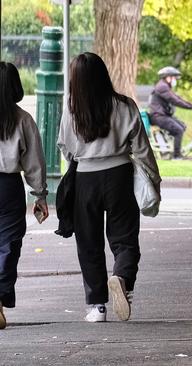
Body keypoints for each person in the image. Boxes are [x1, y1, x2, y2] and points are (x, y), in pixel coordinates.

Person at [57, 53, 160, 322]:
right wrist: (155, 182)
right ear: (104, 75)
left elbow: (66, 148)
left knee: (89, 243)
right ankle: (122, 277)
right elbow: (142, 149)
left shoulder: (71, 108)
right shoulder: (125, 106)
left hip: (85, 179)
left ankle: (97, 307)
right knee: (125, 238)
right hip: (119, 176)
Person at [0, 62, 49, 329]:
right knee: (8, 246)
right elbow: (34, 162)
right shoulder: (23, 119)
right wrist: (39, 196)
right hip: (8, 188)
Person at [148, 66, 192, 159]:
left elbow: (178, 98)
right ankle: (177, 156)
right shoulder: (162, 86)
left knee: (182, 126)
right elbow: (174, 100)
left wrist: (191, 105)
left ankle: (170, 149)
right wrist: (190, 107)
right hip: (158, 116)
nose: (175, 80)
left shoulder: (166, 86)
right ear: (168, 77)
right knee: (178, 130)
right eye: (174, 77)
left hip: (162, 115)